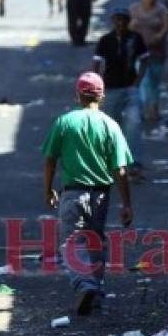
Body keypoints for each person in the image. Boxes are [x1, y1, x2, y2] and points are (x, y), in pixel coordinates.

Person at [42, 72, 134, 315]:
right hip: (101, 196)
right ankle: (95, 291)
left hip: (73, 194)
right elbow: (120, 169)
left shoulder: (65, 122)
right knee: (95, 244)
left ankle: (85, 285)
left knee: (71, 243)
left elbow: (50, 160)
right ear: (102, 96)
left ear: (78, 95)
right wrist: (126, 204)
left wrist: (48, 189)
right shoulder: (110, 125)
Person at [93, 8, 148, 176]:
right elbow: (96, 63)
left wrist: (138, 81)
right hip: (110, 88)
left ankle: (134, 162)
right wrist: (97, 83)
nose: (121, 23)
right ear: (113, 21)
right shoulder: (105, 40)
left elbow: (145, 59)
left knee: (134, 122)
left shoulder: (135, 38)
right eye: (117, 19)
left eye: (124, 19)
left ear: (128, 21)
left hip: (130, 87)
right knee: (111, 126)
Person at [129, 0, 168, 122]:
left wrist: (159, 36)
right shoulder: (134, 9)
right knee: (143, 81)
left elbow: (166, 27)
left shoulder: (162, 10)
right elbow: (125, 28)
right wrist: (131, 26)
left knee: (155, 82)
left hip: (157, 52)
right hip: (139, 53)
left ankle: (154, 109)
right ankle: (141, 110)